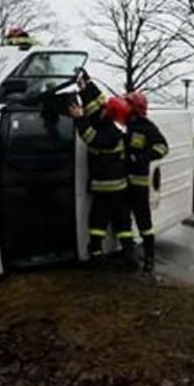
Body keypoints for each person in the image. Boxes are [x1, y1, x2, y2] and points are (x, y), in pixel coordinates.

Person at [68, 85, 137, 269]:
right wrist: (87, 87)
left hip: (106, 188)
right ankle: (130, 257)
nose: (103, 108)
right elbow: (98, 106)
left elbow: (90, 137)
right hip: (119, 188)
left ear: (110, 113)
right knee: (122, 223)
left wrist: (79, 118)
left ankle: (97, 256)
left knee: (98, 222)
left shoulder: (109, 134)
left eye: (107, 108)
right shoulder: (113, 126)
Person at [123, 91, 169, 273]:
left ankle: (149, 258)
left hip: (138, 185)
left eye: (128, 105)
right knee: (123, 222)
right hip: (122, 183)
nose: (125, 108)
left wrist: (143, 157)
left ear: (135, 109)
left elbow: (162, 147)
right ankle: (129, 257)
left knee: (144, 223)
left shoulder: (147, 128)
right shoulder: (123, 125)